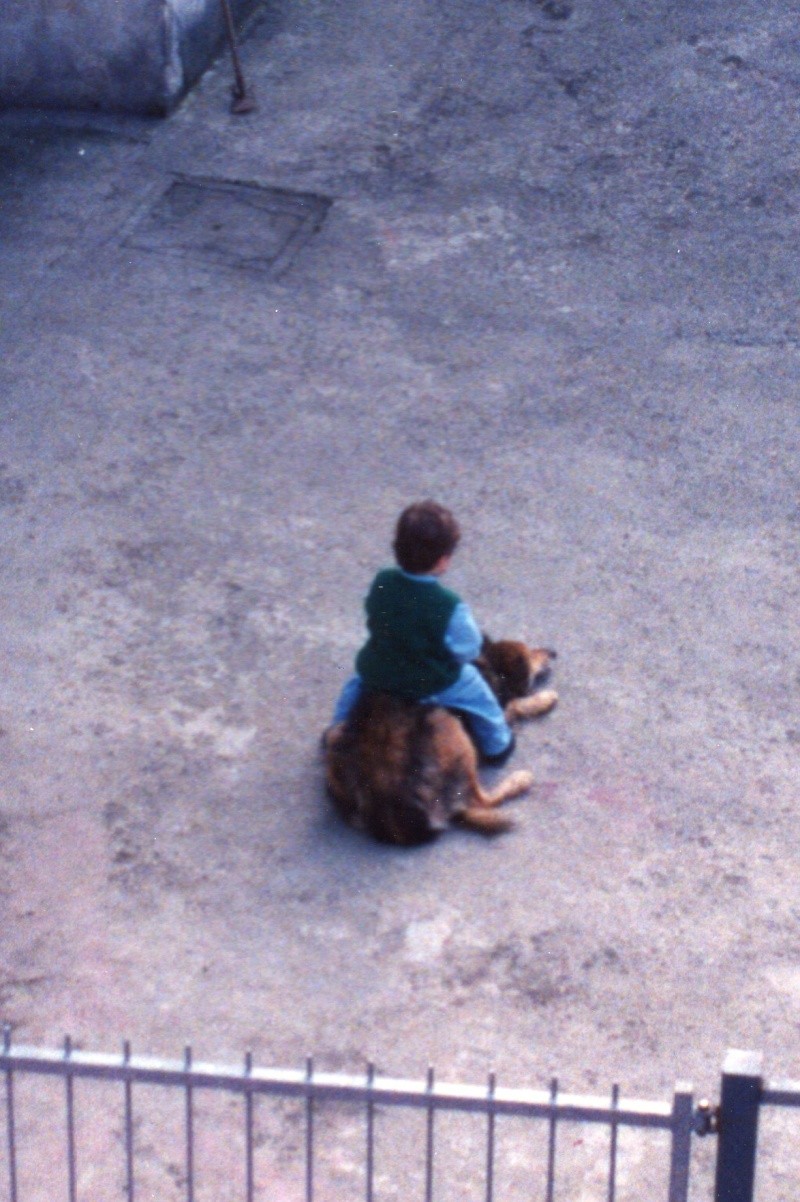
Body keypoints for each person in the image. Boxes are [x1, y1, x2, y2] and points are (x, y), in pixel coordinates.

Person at [330, 500, 515, 764]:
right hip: (429, 681)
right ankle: (497, 744)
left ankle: (335, 733)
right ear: (442, 561)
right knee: (477, 692)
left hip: (380, 670)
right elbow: (469, 648)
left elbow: (372, 610)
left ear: (397, 548)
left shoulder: (383, 580)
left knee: (355, 684)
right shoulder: (448, 605)